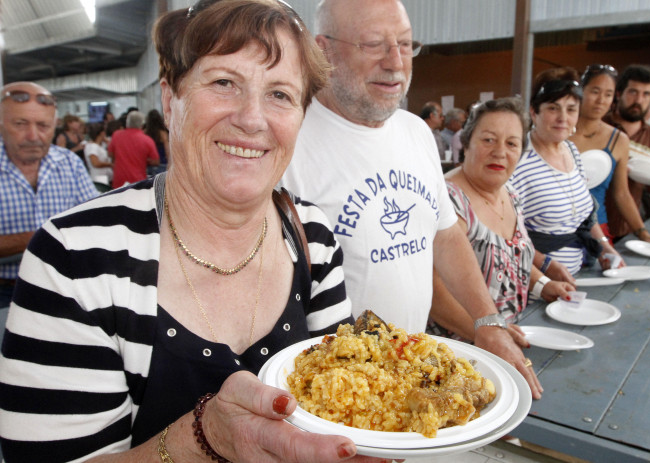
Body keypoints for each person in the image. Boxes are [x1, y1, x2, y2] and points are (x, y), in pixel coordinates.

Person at [0, 2, 381, 462]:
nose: (252, 119)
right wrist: (205, 442)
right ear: (169, 98)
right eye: (224, 83)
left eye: (280, 94)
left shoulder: (313, 238)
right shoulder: (76, 258)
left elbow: (337, 413)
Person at [281, 0, 543, 399]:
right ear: (323, 50)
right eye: (374, 44)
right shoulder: (290, 144)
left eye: (405, 44)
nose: (395, 62)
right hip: (335, 392)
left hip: (412, 375)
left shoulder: (416, 131)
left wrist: (486, 320)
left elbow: (446, 237)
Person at [428, 97, 575, 342]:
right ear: (466, 144)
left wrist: (542, 284)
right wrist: (489, 334)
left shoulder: (509, 193)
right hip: (460, 350)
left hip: (514, 334)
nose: (500, 152)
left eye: (512, 143)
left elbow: (513, 255)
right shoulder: (449, 200)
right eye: (488, 140)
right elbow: (433, 291)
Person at [510, 67, 624, 282]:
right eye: (553, 108)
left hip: (573, 279)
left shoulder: (571, 151)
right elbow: (505, 235)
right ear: (534, 112)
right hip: (533, 286)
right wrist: (545, 270)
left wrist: (605, 247)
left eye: (571, 109)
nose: (563, 117)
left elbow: (586, 218)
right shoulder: (518, 160)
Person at [0, 82, 98, 308]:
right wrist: (44, 237)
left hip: (63, 287)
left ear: (54, 126)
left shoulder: (69, 163)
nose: (33, 136)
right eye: (21, 124)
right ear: (2, 124)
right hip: (5, 291)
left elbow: (95, 223)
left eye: (43, 125)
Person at [570, 64, 650, 247]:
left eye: (608, 94)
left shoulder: (618, 139)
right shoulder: (560, 131)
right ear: (581, 92)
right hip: (556, 228)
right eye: (595, 91)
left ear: (614, 96)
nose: (601, 100)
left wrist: (642, 232)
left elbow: (621, 193)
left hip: (598, 231)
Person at [603, 64, 650, 233]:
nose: (639, 100)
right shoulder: (600, 126)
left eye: (646, 94)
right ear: (619, 94)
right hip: (594, 227)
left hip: (630, 227)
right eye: (633, 92)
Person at [109, 110, 160, 188]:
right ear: (142, 124)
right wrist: (144, 159)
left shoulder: (116, 135)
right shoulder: (147, 140)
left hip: (119, 181)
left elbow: (110, 154)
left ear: (127, 123)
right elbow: (156, 161)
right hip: (138, 182)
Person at [83, 121, 114, 186]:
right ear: (102, 133)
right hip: (99, 178)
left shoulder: (99, 145)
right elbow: (95, 163)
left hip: (105, 177)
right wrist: (110, 164)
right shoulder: (92, 147)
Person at [144, 108, 171, 175]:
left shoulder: (145, 133)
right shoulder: (163, 133)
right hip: (162, 164)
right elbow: (167, 151)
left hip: (149, 165)